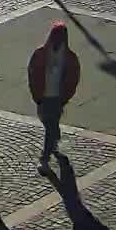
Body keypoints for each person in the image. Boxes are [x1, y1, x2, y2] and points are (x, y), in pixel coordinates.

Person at [29, 21, 81, 169]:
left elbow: (73, 78)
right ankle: (54, 139)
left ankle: (45, 158)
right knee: (48, 122)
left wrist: (65, 97)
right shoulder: (40, 53)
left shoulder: (69, 57)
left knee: (50, 126)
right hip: (42, 95)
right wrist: (35, 93)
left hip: (57, 97)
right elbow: (32, 73)